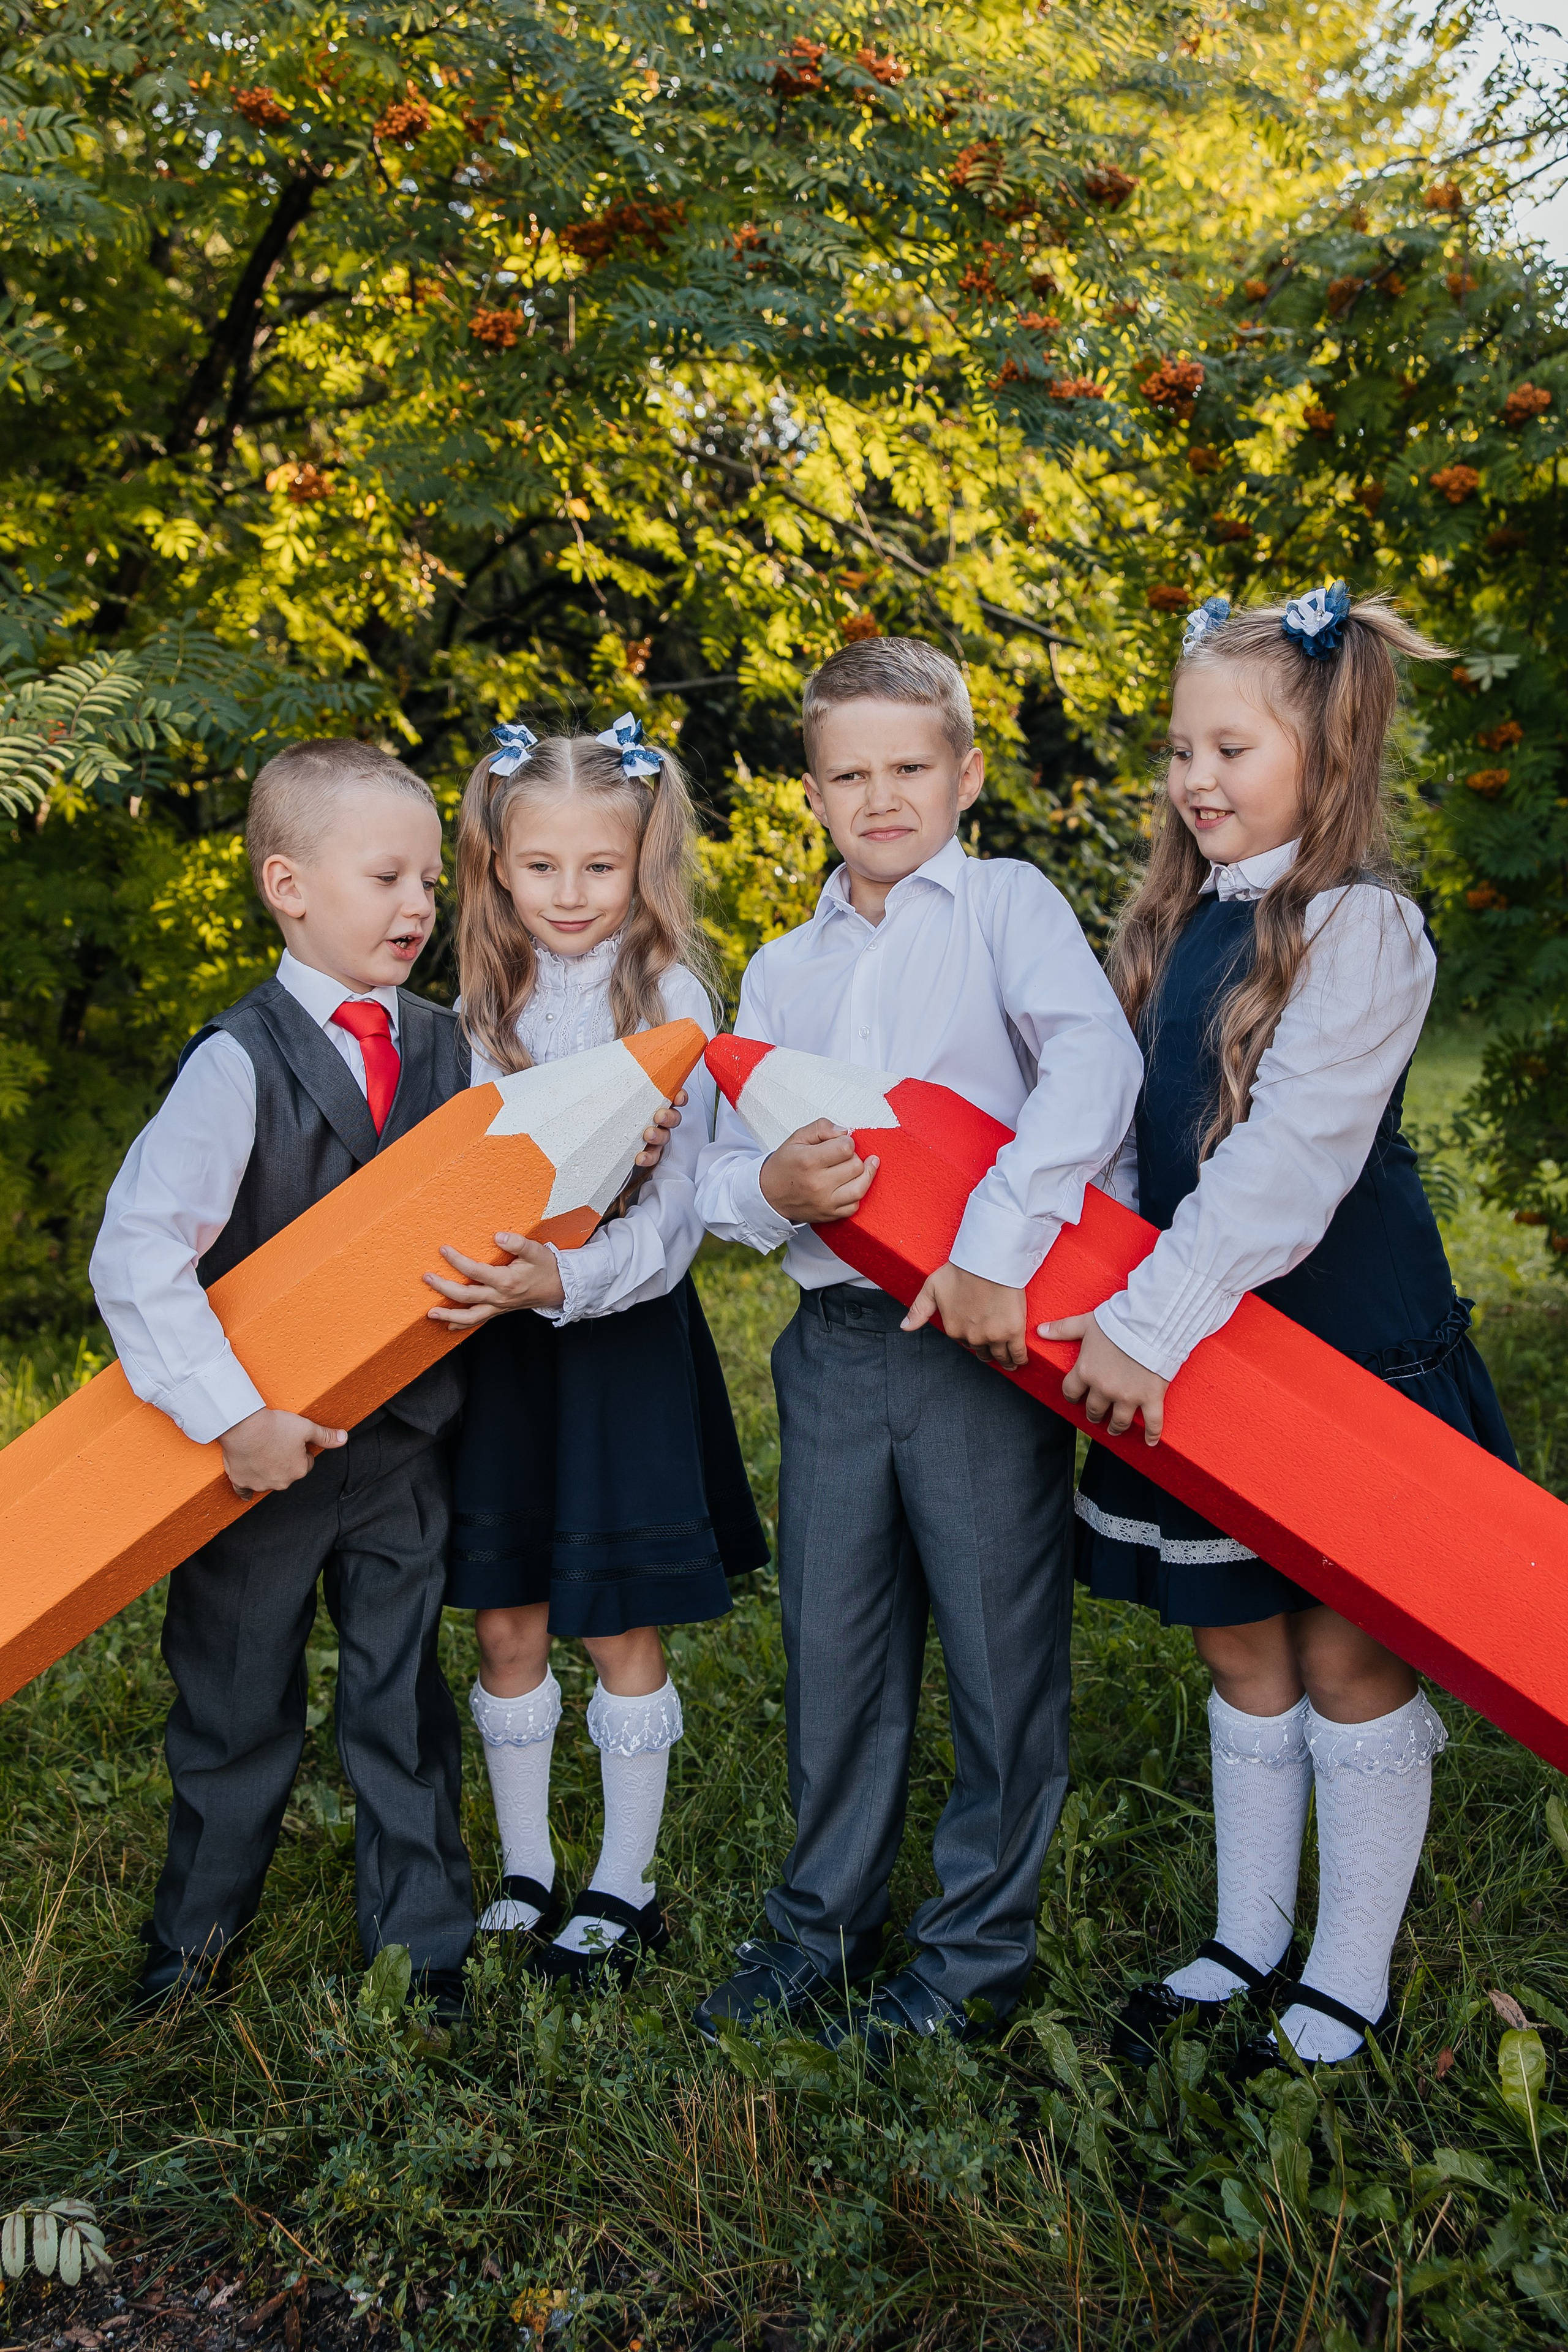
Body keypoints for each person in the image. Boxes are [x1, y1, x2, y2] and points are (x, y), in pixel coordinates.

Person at [1048, 587, 1518, 2068]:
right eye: (1178, 746)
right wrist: (1098, 1295)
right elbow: (1139, 1143)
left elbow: (1288, 1166)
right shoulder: (1173, 919)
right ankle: (1245, 1936)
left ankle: (1343, 1973)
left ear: (1327, 748)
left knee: (1343, 1662)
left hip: (1332, 1353)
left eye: (1229, 747)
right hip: (1189, 1346)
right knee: (1240, 1652)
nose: (1193, 777)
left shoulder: (1360, 929)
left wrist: (1150, 1317)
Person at [690, 638, 1143, 2057]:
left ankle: (968, 1960)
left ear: (965, 773)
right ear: (809, 795)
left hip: (977, 1350)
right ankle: (819, 1928)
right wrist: (767, 1193)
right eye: (847, 775)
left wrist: (994, 1250)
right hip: (829, 1346)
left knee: (1000, 1661)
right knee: (832, 1648)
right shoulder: (776, 967)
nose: (879, 797)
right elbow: (716, 1161)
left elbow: (1092, 1069)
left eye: (907, 767)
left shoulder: (1004, 906)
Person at [92, 743, 487, 2019]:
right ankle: (191, 1954)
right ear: (289, 885)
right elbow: (140, 1252)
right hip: (259, 1459)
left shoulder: (449, 1049)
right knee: (234, 1705)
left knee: (400, 1703)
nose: (419, 903)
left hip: (403, 1449)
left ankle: (424, 1955)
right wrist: (230, 1419)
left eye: (431, 876)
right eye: (386, 875)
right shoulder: (236, 1061)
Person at [423, 716, 768, 1988]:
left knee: (612, 1615)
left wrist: (566, 1270)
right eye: (539, 868)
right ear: (495, 867)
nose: (569, 896)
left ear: (643, 865)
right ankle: (523, 1865)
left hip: (618, 1336)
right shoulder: (468, 1007)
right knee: (506, 1613)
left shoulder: (673, 998)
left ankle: (625, 1881)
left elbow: (676, 1218)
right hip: (499, 1353)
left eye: (599, 869)